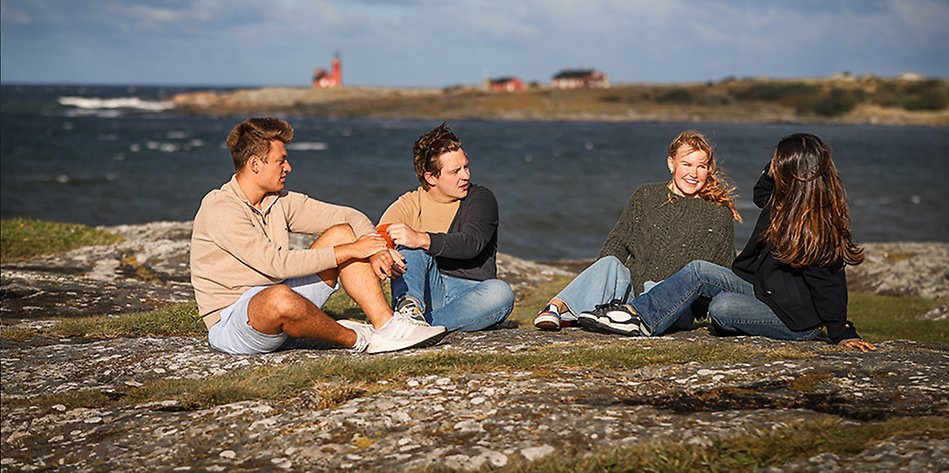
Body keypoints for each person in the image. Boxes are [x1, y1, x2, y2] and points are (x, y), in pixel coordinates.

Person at [577, 133, 876, 352]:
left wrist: (841, 331)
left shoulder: (817, 224)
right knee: (699, 270)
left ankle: (637, 318)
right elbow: (761, 194)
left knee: (723, 308)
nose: (771, 163)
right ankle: (637, 315)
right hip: (762, 291)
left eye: (777, 161)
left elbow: (830, 284)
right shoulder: (782, 200)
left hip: (795, 320)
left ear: (792, 170)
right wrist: (769, 171)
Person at [190, 117, 447, 355]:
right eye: (281, 160)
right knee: (280, 298)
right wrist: (350, 251)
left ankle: (388, 326)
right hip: (233, 320)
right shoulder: (220, 208)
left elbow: (349, 216)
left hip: (275, 292)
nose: (288, 167)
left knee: (344, 234)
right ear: (255, 164)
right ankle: (358, 339)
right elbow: (275, 264)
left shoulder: (278, 201)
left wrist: (375, 248)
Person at [534, 130, 740, 331]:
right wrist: (604, 283)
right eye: (686, 164)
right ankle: (555, 308)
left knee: (656, 286)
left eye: (701, 166)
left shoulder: (718, 213)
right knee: (609, 263)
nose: (693, 174)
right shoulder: (646, 196)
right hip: (632, 291)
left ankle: (612, 316)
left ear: (708, 170)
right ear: (671, 163)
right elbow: (617, 243)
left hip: (672, 302)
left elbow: (720, 271)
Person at [379, 123, 515, 331]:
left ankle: (413, 328)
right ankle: (408, 310)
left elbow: (471, 243)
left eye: (466, 167)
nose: (466, 176)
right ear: (431, 177)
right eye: (455, 171)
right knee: (409, 246)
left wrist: (422, 238)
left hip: (473, 295)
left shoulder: (480, 198)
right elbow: (379, 236)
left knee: (501, 293)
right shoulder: (410, 203)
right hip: (427, 292)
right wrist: (386, 248)